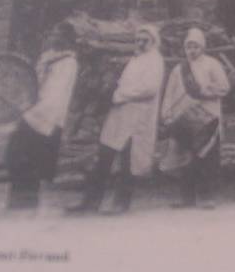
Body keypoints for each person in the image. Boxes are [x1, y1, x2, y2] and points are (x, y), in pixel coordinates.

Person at [67, 25, 165, 215]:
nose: (141, 43)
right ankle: (90, 202)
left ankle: (121, 203)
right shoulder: (135, 60)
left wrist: (120, 95)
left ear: (154, 42)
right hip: (119, 114)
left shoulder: (155, 61)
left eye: (145, 40)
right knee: (103, 158)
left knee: (127, 162)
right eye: (138, 40)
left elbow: (150, 89)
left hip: (137, 117)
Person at [4, 22, 79, 211]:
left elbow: (55, 94)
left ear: (68, 40)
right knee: (15, 158)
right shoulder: (47, 57)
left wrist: (33, 111)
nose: (54, 37)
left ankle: (26, 205)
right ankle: (16, 201)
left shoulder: (69, 63)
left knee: (32, 163)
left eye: (59, 34)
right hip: (30, 112)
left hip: (45, 118)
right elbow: (33, 81)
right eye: (53, 33)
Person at [160, 28, 232, 209]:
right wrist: (166, 113)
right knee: (185, 157)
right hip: (184, 118)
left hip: (207, 117)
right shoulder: (179, 69)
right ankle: (187, 197)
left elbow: (224, 88)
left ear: (202, 47)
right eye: (188, 47)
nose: (191, 51)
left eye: (195, 47)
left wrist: (205, 90)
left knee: (207, 157)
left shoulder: (212, 64)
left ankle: (208, 197)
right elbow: (170, 92)